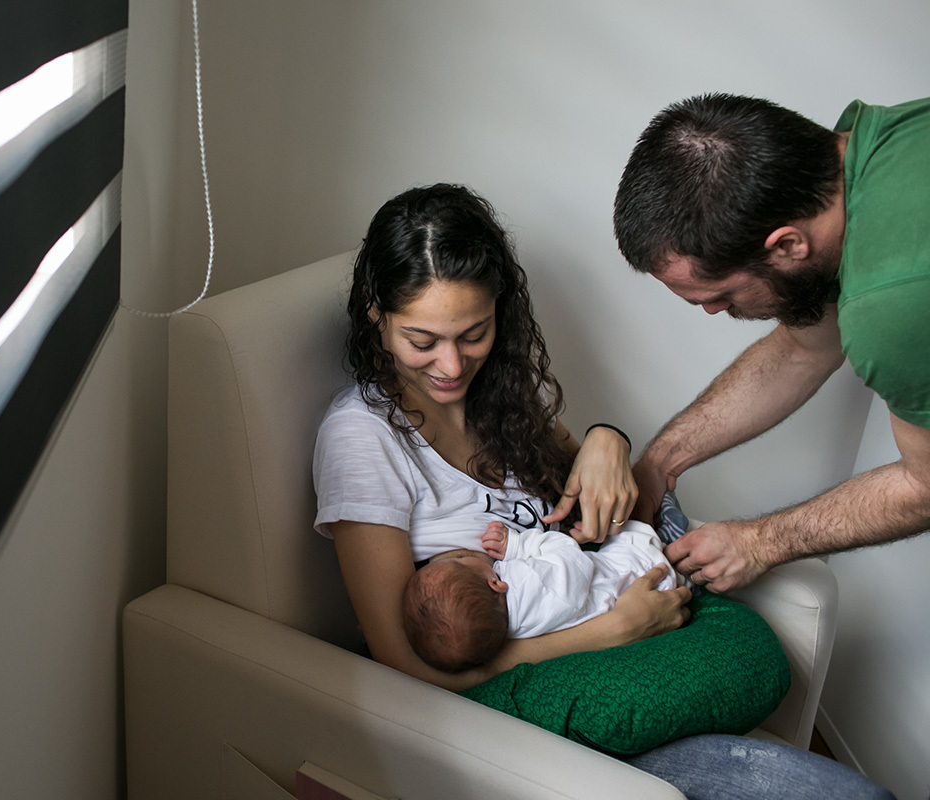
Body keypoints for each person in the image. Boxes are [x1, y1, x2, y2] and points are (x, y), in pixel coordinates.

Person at [313, 183, 894, 799]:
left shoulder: (499, 399)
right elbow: (406, 666)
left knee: (771, 682)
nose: (452, 367)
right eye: (422, 341)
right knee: (768, 689)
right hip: (510, 687)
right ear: (376, 314)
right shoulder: (362, 437)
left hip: (600, 637)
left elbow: (603, 486)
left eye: (473, 334)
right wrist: (613, 631)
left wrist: (606, 439)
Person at [613, 93, 930, 594]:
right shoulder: (865, 149)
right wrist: (659, 462)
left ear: (787, 245)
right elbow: (805, 348)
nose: (715, 312)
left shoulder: (891, 303)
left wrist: (762, 542)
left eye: (718, 296)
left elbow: (927, 488)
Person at [403, 518, 684, 673]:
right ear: (495, 585)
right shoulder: (530, 583)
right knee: (633, 533)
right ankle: (671, 532)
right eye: (461, 562)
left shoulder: (497, 629)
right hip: (641, 571)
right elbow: (571, 556)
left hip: (626, 600)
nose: (465, 556)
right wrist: (516, 545)